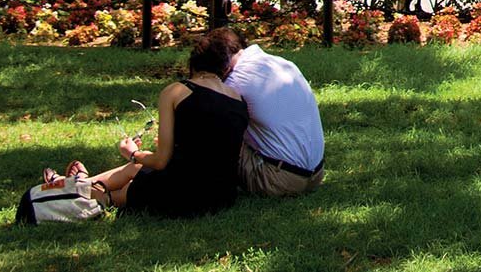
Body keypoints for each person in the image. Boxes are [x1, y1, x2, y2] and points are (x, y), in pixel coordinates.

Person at [88, 28, 250, 215]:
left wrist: (133, 153)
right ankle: (81, 182)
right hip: (222, 195)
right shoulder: (239, 100)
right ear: (226, 67)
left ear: (192, 64)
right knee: (136, 170)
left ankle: (82, 189)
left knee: (121, 184)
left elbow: (160, 161)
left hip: (179, 194)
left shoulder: (176, 92)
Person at [225, 41, 324, 198]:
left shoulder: (235, 80)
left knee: (214, 127)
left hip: (278, 180)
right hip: (316, 175)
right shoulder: (285, 64)